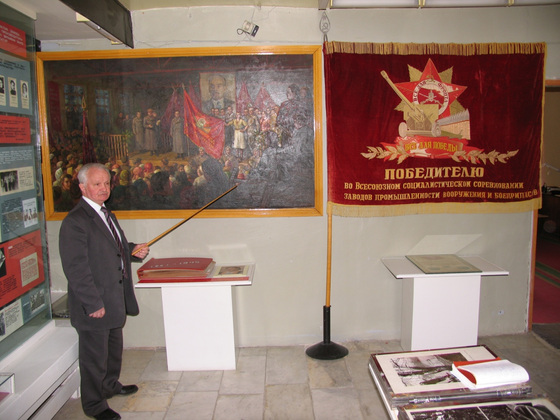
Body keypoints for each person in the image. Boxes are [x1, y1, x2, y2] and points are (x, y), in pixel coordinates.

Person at [59, 163, 150, 420]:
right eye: (97, 184)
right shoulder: (75, 222)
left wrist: (132, 249)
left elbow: (111, 247)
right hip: (95, 302)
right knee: (94, 358)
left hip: (113, 297)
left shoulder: (106, 213)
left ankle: (110, 386)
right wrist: (93, 303)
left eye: (107, 183)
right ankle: (94, 405)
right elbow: (76, 269)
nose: (104, 188)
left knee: (112, 351)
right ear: (82, 187)